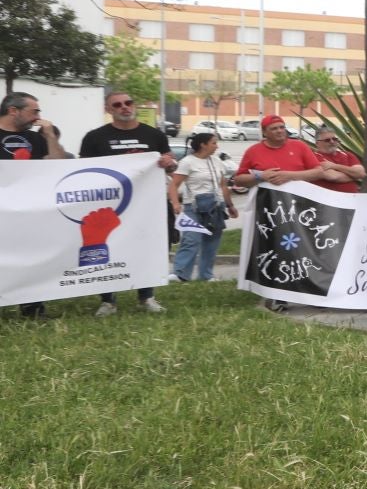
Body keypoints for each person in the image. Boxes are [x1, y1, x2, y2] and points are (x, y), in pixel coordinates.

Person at [81, 89, 179, 316]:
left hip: (149, 205)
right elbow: (84, 170)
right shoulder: (95, 137)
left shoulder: (154, 135)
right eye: (117, 105)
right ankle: (108, 300)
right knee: (110, 246)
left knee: (149, 247)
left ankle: (146, 297)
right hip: (113, 205)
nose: (124, 107)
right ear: (108, 110)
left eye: (128, 102)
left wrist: (169, 162)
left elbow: (172, 167)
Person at [1, 92, 57, 318]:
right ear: (13, 111)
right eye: (34, 111)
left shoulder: (35, 139)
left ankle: (32, 306)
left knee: (31, 256)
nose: (38, 116)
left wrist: (50, 136)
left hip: (28, 211)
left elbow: (57, 165)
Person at [170, 132, 238, 282]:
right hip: (193, 207)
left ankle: (206, 275)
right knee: (191, 239)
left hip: (216, 207)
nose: (217, 146)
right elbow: (174, 185)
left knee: (212, 241)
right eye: (214, 143)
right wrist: (175, 203)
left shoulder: (217, 162)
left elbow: (223, 185)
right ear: (203, 144)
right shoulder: (188, 162)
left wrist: (230, 205)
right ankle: (180, 273)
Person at [310, 126, 367, 195]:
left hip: (351, 202)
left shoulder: (348, 155)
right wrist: (354, 177)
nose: (332, 142)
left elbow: (361, 173)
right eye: (327, 140)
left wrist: (334, 166)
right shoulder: (314, 157)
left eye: (334, 139)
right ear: (317, 143)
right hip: (327, 202)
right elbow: (333, 176)